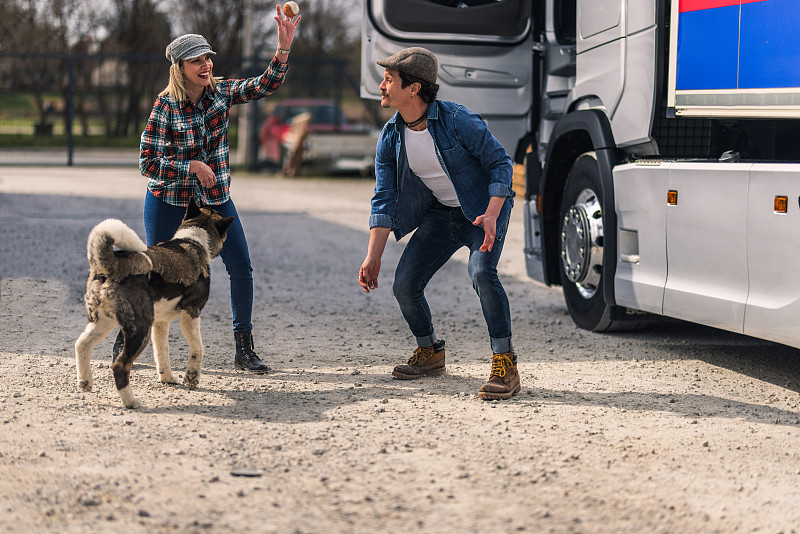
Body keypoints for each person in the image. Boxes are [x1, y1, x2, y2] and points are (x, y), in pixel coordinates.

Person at [122, 5, 300, 373]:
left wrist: (283, 48)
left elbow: (264, 83)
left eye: (207, 58)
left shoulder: (221, 94)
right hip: (168, 200)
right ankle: (130, 339)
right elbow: (147, 163)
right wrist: (188, 165)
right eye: (195, 61)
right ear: (179, 68)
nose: (205, 65)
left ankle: (244, 347)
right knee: (156, 271)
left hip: (215, 203)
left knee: (242, 267)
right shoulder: (165, 106)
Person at [358, 47, 520, 400]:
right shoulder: (391, 136)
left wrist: (492, 213)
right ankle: (430, 352)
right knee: (404, 286)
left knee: (481, 273)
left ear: (413, 88)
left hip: (482, 211)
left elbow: (501, 165)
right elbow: (384, 198)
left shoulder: (457, 120)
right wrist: (373, 256)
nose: (382, 86)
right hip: (442, 214)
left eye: (389, 80)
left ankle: (505, 363)